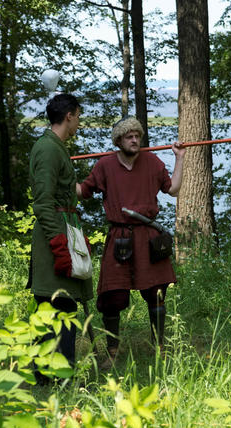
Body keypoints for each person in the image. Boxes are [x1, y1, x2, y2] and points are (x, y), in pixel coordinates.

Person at [76, 117, 185, 364]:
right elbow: (82, 192)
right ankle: (112, 353)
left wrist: (179, 157)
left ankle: (161, 349)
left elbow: (174, 189)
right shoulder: (105, 165)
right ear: (119, 141)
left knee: (156, 294)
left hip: (149, 237)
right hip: (120, 237)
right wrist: (57, 175)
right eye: (129, 136)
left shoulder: (153, 162)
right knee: (112, 297)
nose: (135, 139)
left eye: (137, 135)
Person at [28, 93, 93, 382]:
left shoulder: (56, 147)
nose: (79, 122)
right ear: (69, 115)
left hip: (62, 229)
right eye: (78, 116)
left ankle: (54, 373)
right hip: (52, 237)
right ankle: (50, 375)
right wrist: (59, 243)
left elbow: (65, 192)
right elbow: (43, 201)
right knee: (55, 304)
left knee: (60, 304)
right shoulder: (48, 149)